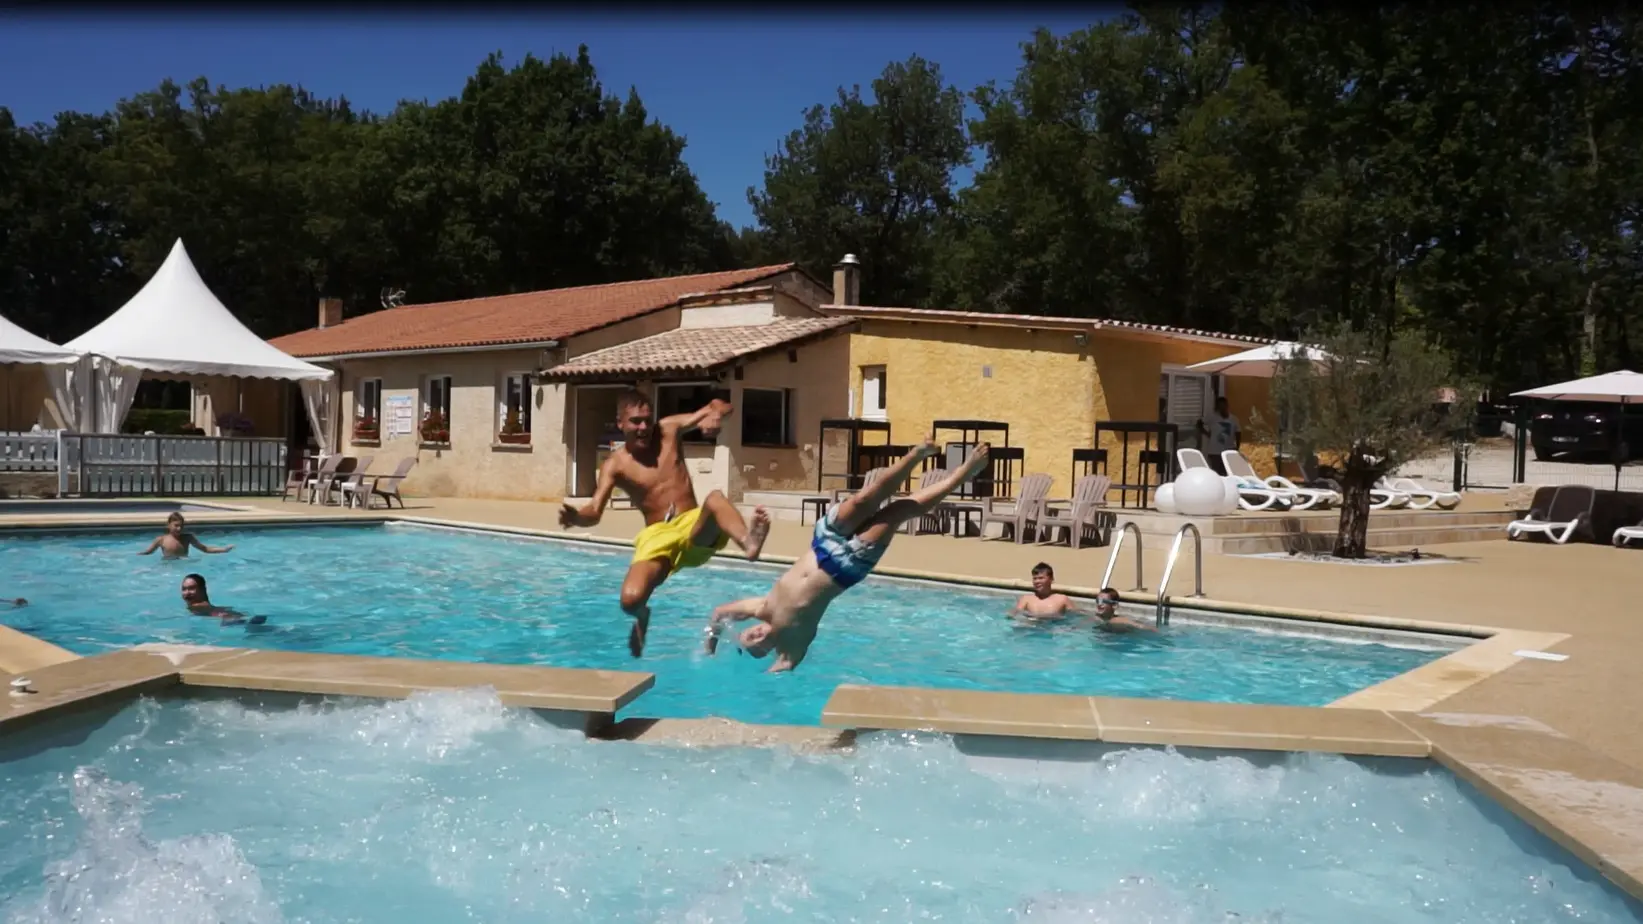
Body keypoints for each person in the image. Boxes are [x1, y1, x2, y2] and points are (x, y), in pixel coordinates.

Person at [703, 440, 992, 672]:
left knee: (864, 500)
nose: (754, 637)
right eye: (756, 646)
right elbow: (785, 668)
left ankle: (915, 456)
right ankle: (962, 475)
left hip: (822, 542)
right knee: (898, 511)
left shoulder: (762, 608)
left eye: (748, 634)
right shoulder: (793, 643)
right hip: (846, 566)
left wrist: (710, 647)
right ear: (767, 651)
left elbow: (718, 614)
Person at [558, 390, 771, 657]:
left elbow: (720, 404)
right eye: (636, 421)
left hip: (693, 525)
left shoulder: (669, 429)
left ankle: (749, 543)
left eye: (648, 420)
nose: (644, 427)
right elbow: (595, 511)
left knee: (715, 499)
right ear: (621, 423)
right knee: (629, 600)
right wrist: (576, 517)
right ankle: (642, 614)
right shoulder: (616, 465)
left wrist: (715, 416)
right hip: (658, 535)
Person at [179, 573, 264, 625]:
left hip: (225, 616)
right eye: (184, 589)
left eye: (191, 588)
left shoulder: (195, 606)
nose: (187, 592)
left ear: (203, 590)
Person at [139, 513, 234, 559]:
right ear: (168, 525)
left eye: (181, 526)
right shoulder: (161, 540)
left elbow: (205, 549)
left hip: (184, 564)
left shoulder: (188, 537)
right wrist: (137, 555)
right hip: (168, 567)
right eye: (176, 526)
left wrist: (224, 550)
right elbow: (148, 552)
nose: (179, 529)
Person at [1011, 563, 1077, 621]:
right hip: (1031, 629)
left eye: (1041, 578)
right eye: (1035, 578)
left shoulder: (1062, 599)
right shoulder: (1026, 599)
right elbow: (1014, 615)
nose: (1037, 581)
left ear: (1051, 579)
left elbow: (1077, 615)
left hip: (1054, 629)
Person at [1200, 396, 1241, 475]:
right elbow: (1199, 423)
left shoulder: (1233, 419)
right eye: (1220, 406)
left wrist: (1237, 447)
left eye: (1223, 405)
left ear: (1227, 406)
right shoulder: (1212, 417)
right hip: (1215, 452)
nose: (1222, 408)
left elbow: (1238, 432)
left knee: (1227, 472)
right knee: (1216, 473)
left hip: (1228, 450)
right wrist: (1206, 433)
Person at [1089, 586, 1156, 634]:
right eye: (1098, 601)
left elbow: (1140, 626)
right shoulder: (1094, 618)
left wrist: (1154, 630)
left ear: (1114, 605)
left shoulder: (1118, 620)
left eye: (1104, 601)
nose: (1100, 604)